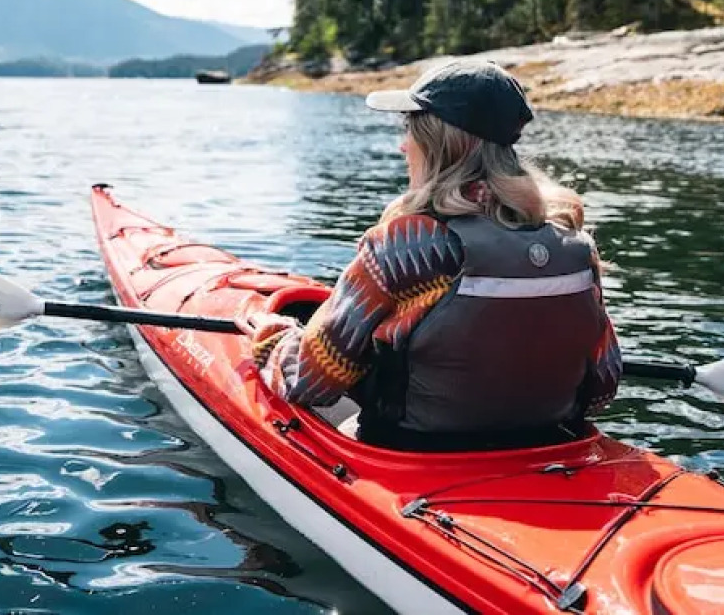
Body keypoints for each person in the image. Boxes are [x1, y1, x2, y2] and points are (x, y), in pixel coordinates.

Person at [247, 57, 623, 451]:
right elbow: (602, 386)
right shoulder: (574, 243)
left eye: (409, 128)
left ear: (434, 143)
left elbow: (311, 380)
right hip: (546, 447)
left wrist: (273, 340)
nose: (402, 144)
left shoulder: (403, 245)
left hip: (414, 455)